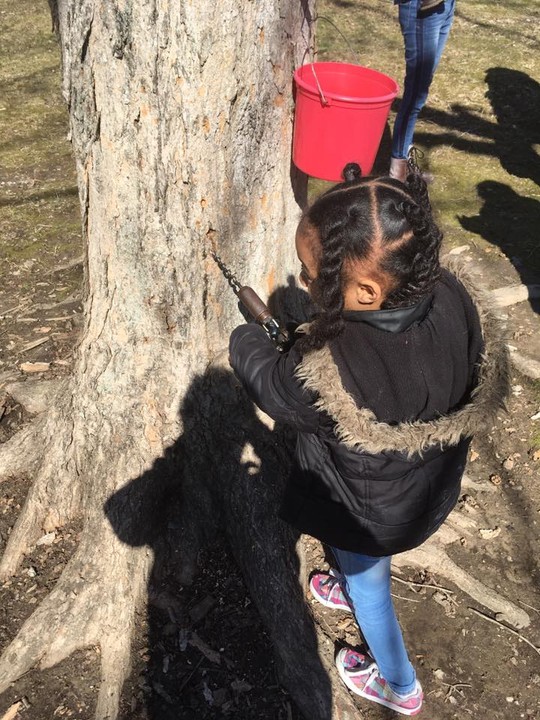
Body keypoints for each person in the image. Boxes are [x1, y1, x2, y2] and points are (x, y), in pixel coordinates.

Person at [228, 163, 508, 715]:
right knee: (359, 570)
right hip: (425, 490)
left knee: (369, 593)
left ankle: (400, 687)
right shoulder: (450, 294)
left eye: (312, 276)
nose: (305, 285)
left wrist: (245, 338)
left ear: (365, 290)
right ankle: (346, 576)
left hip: (372, 516)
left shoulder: (335, 367)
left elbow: (276, 388)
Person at [390, 0, 456, 181]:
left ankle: (403, 159)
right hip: (422, 9)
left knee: (422, 87)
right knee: (415, 94)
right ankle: (397, 174)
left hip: (445, 6)